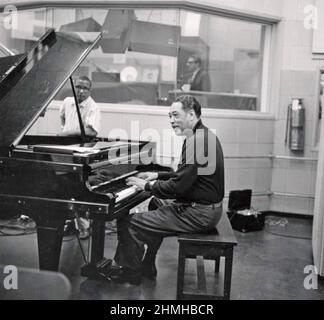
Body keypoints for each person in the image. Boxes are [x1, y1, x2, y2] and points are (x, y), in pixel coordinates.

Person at [110, 95, 224, 285]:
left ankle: (130, 271)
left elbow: (178, 187)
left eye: (175, 115)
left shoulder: (197, 141)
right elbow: (185, 175)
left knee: (130, 222)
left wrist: (146, 186)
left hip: (199, 213)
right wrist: (156, 176)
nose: (171, 120)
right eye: (169, 116)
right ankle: (148, 264)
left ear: (191, 114)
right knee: (156, 203)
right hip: (207, 208)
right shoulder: (203, 135)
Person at [60, 76, 101, 239]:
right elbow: (62, 118)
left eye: (85, 88)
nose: (81, 91)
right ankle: (71, 223)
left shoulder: (93, 107)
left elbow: (92, 132)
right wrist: (65, 133)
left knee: (78, 189)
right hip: (66, 150)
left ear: (90, 90)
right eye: (78, 87)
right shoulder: (67, 102)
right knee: (63, 186)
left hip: (82, 152)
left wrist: (68, 133)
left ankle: (85, 227)